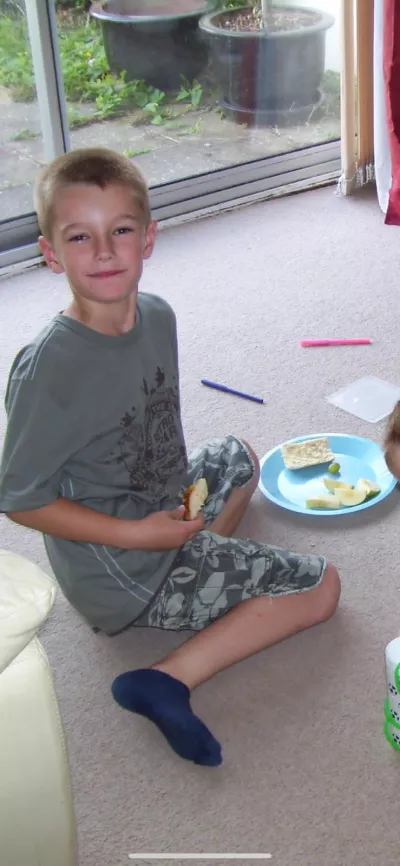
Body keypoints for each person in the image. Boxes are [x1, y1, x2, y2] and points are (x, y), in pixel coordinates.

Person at [0, 147, 341, 767]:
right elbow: (20, 500)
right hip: (116, 567)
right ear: (51, 253)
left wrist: (170, 525)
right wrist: (142, 536)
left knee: (241, 457)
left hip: (157, 510)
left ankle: (191, 563)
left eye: (120, 230)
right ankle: (165, 677)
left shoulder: (158, 316)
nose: (104, 251)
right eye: (81, 236)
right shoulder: (50, 368)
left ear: (148, 239)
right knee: (320, 588)